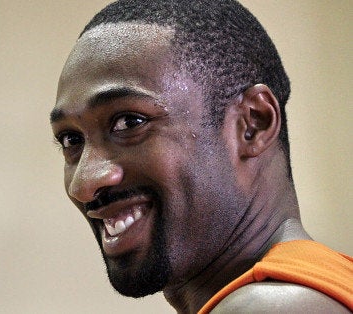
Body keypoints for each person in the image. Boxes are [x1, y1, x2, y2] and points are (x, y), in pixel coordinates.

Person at [49, 0, 353, 313]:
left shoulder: (273, 306)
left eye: (129, 122)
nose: (83, 184)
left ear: (253, 123)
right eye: (71, 139)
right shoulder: (325, 288)